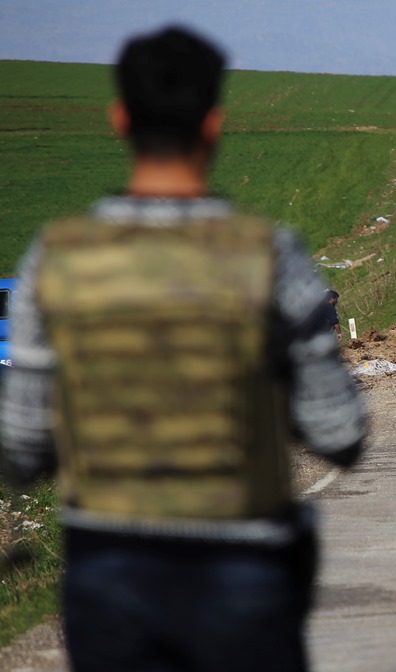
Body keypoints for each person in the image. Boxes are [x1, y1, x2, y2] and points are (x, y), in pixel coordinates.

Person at [0, 26, 368, 672]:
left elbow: (21, 446)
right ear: (214, 125)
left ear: (119, 119)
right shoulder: (270, 257)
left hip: (109, 579)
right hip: (243, 579)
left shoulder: (53, 262)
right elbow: (340, 432)